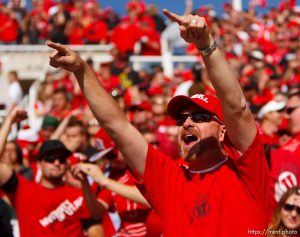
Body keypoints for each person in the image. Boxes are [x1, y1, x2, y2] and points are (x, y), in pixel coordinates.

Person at [47, 8, 269, 237]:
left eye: (200, 117)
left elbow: (237, 108)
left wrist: (205, 44)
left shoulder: (247, 172)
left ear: (223, 131)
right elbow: (118, 128)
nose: (187, 123)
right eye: (181, 119)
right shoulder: (169, 180)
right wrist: (82, 71)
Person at [0, 107, 102, 237]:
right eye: (50, 158)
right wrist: (9, 121)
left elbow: (96, 231)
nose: (56, 162)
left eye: (61, 158)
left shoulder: (80, 194)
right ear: (39, 164)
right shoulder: (23, 190)